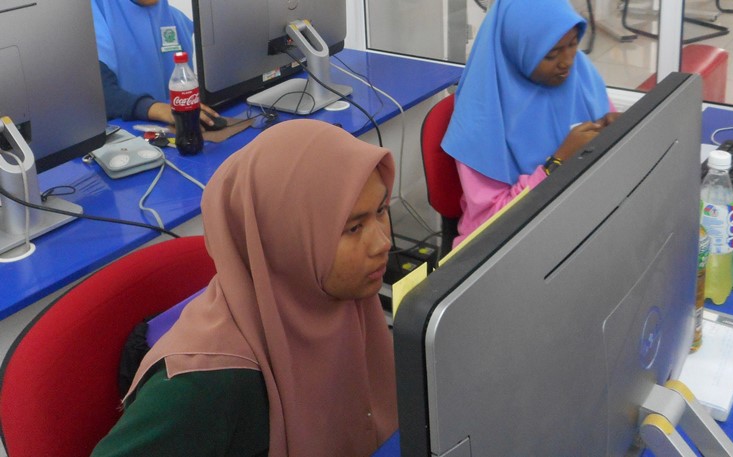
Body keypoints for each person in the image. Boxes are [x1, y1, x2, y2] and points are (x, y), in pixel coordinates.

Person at [91, 119, 398, 456]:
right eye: (353, 228)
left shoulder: (340, 294)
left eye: (381, 210)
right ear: (288, 243)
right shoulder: (205, 384)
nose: (382, 243)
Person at [441, 0, 620, 246]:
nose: (567, 61)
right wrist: (556, 165)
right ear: (517, 49)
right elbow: (489, 227)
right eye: (551, 54)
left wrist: (617, 130)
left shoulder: (581, 74)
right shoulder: (480, 120)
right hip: (514, 241)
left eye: (573, 44)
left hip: (578, 215)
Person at [91, 0, 219, 126]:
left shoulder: (175, 18)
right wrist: (157, 109)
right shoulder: (90, 17)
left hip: (168, 129)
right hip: (118, 132)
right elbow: (96, 94)